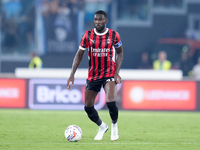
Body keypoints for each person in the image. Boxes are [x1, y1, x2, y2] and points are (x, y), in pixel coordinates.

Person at [67, 10, 123, 141]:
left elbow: (120, 53)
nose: (98, 22)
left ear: (105, 21)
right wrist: (72, 75)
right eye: (96, 19)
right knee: (88, 107)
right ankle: (102, 126)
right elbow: (79, 55)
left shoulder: (114, 35)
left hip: (109, 73)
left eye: (100, 19)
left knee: (110, 101)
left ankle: (114, 125)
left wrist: (116, 73)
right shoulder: (87, 35)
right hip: (93, 75)